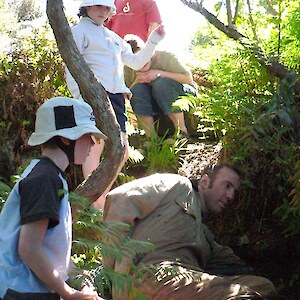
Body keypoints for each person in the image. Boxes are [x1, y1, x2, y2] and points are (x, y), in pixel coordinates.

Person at [103, 164, 281, 299]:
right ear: (204, 182)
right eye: (227, 186)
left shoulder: (204, 236)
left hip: (184, 281)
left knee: (264, 287)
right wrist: (115, 273)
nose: (230, 196)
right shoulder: (178, 186)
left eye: (234, 191)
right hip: (151, 275)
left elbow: (234, 261)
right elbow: (120, 201)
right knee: (243, 296)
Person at [0, 97, 106, 300]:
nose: (93, 143)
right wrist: (68, 293)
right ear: (66, 139)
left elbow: (49, 246)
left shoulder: (51, 175)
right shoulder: (45, 179)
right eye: (87, 136)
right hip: (21, 292)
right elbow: (29, 248)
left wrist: (78, 278)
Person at [65, 0, 165, 210]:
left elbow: (136, 62)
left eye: (107, 8)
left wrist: (154, 40)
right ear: (87, 7)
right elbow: (71, 66)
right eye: (98, 6)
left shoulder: (112, 37)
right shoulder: (77, 31)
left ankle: (99, 197)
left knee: (121, 150)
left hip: (116, 98)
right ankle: (95, 207)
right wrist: (81, 96)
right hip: (92, 96)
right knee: (95, 148)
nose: (104, 11)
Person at [124, 34, 197, 138]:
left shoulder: (165, 57)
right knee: (137, 89)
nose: (140, 63)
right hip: (155, 99)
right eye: (135, 62)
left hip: (181, 92)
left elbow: (188, 79)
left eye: (142, 58)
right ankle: (151, 138)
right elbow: (128, 94)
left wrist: (159, 73)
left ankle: (182, 132)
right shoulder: (128, 69)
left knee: (161, 84)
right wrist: (137, 80)